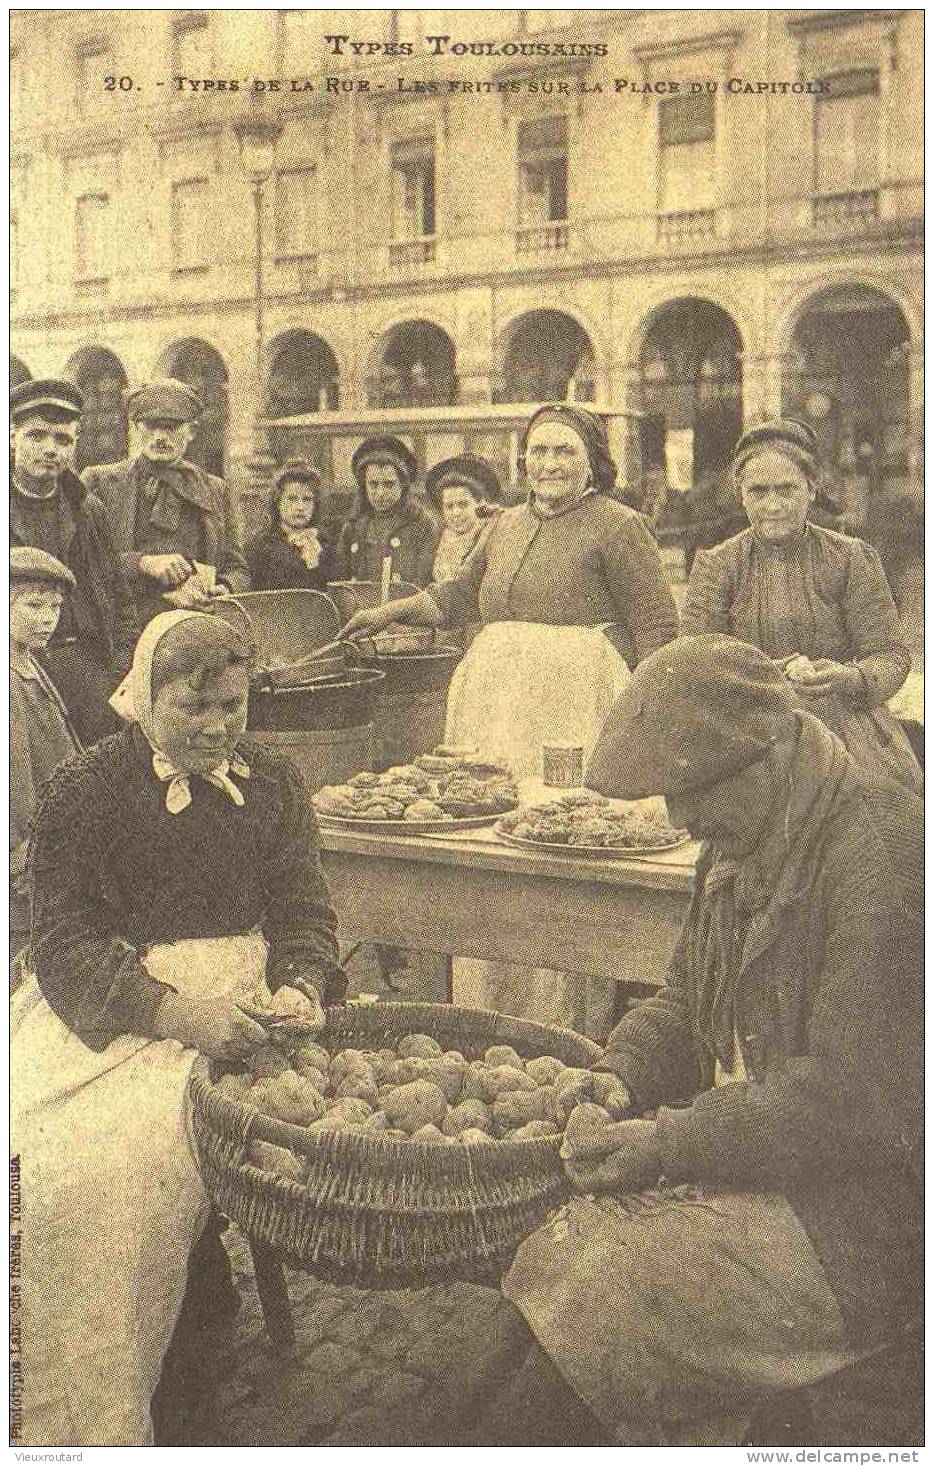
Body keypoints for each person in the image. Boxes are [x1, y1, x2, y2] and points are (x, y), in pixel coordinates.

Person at [484, 635, 922, 1446]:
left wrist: (667, 1144)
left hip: (876, 1224)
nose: (682, 820)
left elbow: (849, 1104)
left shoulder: (888, 853)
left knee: (601, 1291)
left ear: (768, 752)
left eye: (692, 792)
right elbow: (688, 1001)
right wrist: (615, 1077)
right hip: (775, 1171)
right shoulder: (746, 840)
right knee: (546, 1259)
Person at [11, 609, 345, 1446]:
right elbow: (64, 944)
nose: (215, 726)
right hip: (117, 1008)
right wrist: (171, 1011)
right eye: (192, 708)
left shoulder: (272, 782)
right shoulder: (86, 789)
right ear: (143, 697)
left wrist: (302, 983)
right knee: (46, 1165)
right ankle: (70, 1410)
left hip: (244, 1011)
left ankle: (183, 1334)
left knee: (141, 1157)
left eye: (231, 706)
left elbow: (306, 914)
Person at [341, 403, 679, 1037]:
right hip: (494, 698)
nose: (548, 465)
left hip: (573, 699)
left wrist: (649, 717)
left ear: (593, 463)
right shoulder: (504, 525)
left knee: (557, 832)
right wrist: (390, 613)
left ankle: (564, 1019)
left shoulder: (619, 526)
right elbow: (458, 596)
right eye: (539, 452)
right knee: (484, 827)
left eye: (565, 453)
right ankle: (483, 1006)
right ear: (523, 461)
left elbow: (656, 629)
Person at [680, 418, 921, 793]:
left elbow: (890, 656)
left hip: (843, 734)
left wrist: (850, 678)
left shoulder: (850, 558)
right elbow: (693, 662)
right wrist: (758, 674)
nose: (773, 505)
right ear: (741, 495)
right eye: (758, 492)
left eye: (786, 490)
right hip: (747, 736)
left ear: (811, 490)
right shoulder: (717, 564)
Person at [9, 378, 139, 743]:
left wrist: (117, 671)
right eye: (37, 436)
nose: (50, 449)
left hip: (83, 664)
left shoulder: (87, 510)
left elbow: (119, 597)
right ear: (12, 435)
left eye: (63, 440)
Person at [82, 378, 250, 625]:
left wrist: (224, 588)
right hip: (124, 628)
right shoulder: (100, 482)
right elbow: (84, 561)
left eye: (171, 427)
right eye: (151, 426)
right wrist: (143, 563)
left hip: (196, 625)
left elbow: (237, 568)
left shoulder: (216, 489)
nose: (160, 436)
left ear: (191, 432)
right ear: (137, 427)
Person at [9, 548, 82, 961]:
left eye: (54, 607)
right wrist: (21, 856)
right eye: (33, 605)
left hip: (51, 841)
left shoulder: (30, 662)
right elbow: (14, 776)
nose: (47, 618)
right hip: (25, 855)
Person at [333, 435, 440, 588]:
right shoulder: (353, 526)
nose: (381, 493)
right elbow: (341, 583)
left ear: (403, 485)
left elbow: (422, 584)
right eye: (373, 484)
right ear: (364, 486)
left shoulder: (422, 524)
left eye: (389, 484)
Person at [245, 458, 334, 591]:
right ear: (278, 502)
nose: (300, 507)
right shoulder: (261, 545)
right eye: (292, 499)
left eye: (307, 499)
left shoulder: (324, 543)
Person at [426, 453, 501, 584]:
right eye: (449, 506)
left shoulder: (489, 537)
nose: (456, 513)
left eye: (463, 505)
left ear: (480, 503)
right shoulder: (438, 537)